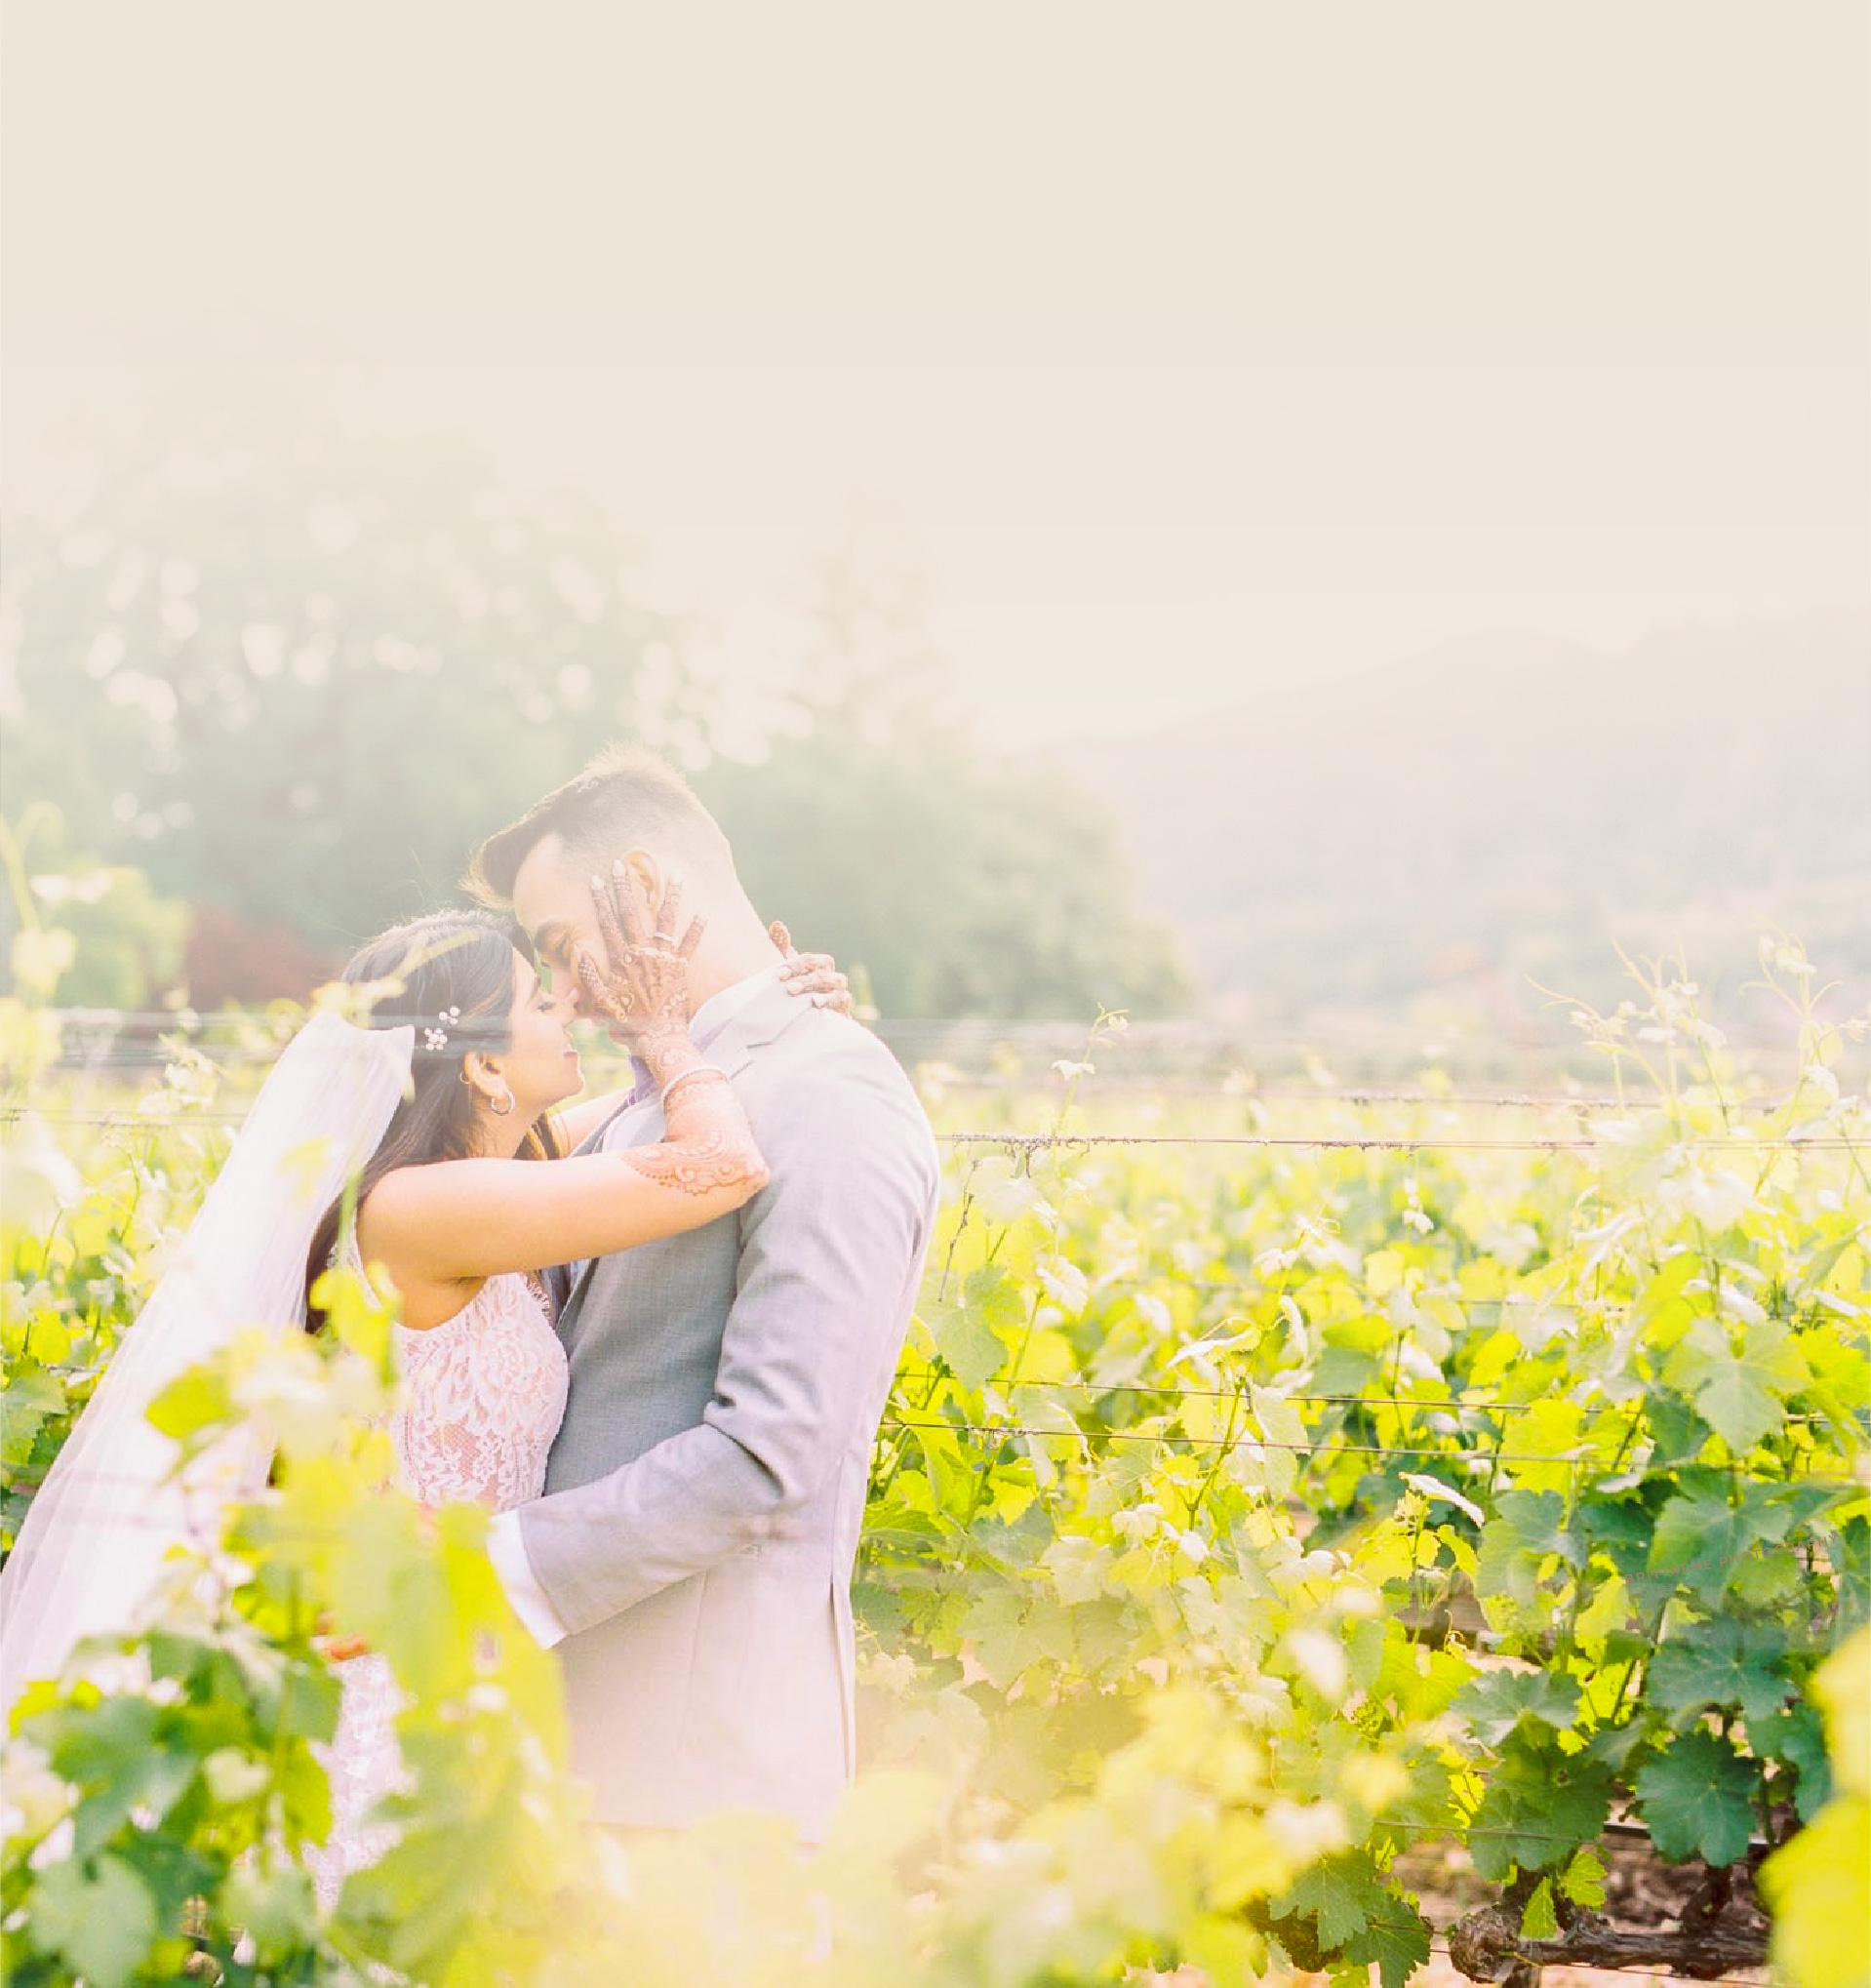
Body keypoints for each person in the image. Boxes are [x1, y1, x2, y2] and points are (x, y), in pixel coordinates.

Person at [0, 865, 851, 1891]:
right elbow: (720, 1162)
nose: (572, 1002)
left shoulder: (495, 1189)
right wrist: (670, 1036)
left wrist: (763, 1016)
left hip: (471, 1669)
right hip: (394, 1692)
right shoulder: (421, 1211)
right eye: (544, 999)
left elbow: (648, 1129)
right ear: (486, 1069)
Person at [463, 743, 941, 1843]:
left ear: (648, 883)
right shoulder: (660, 1090)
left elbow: (771, 1452)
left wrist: (494, 1570)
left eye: (558, 950)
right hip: (584, 1757)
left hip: (698, 1781)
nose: (565, 995)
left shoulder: (832, 1094)